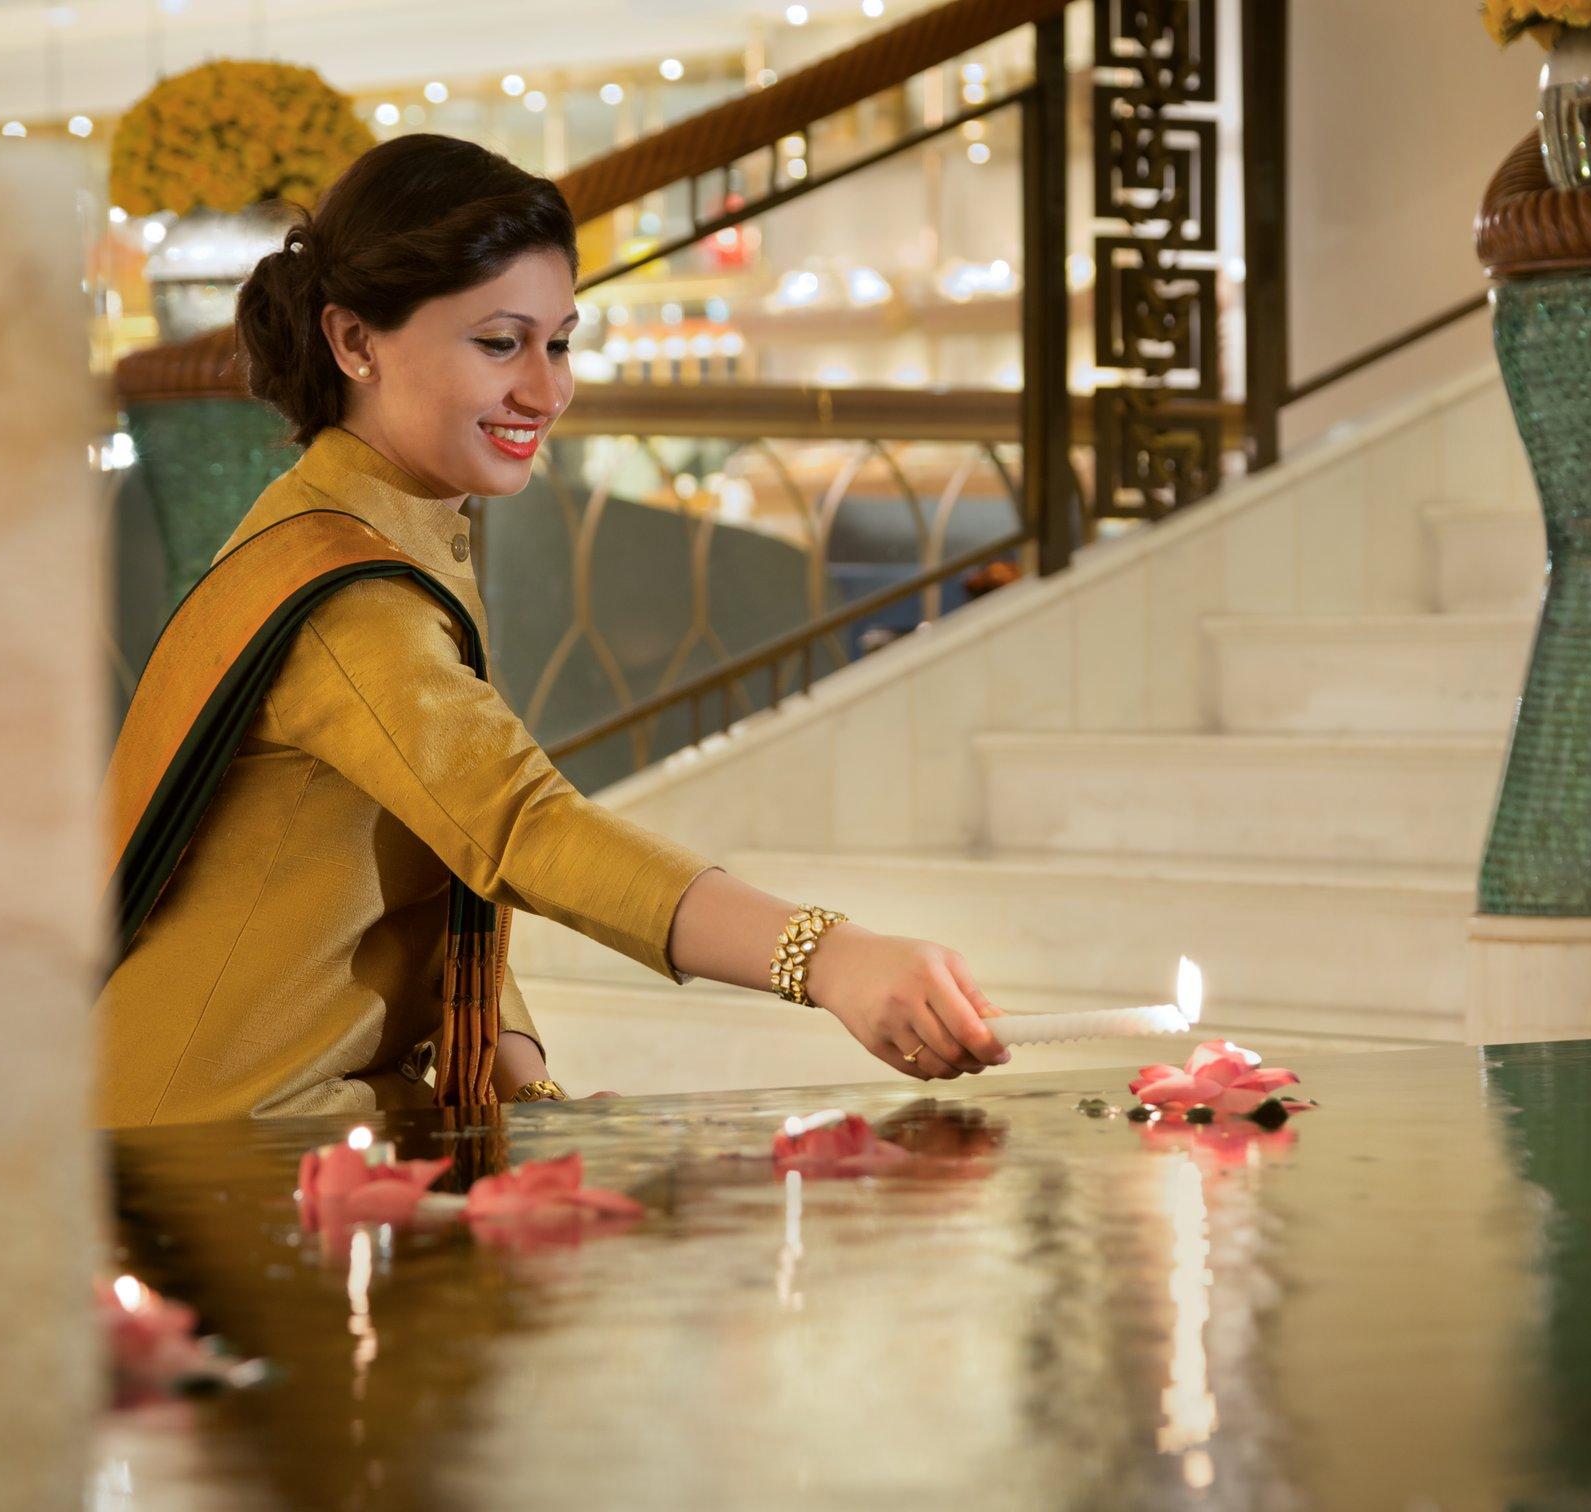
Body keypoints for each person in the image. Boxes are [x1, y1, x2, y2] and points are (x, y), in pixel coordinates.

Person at [93, 134, 1010, 1127]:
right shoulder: (347, 593)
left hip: (306, 1121)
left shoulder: (386, 526)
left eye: (558, 341)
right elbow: (523, 827)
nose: (545, 390)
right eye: (499, 343)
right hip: (214, 1147)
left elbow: (452, 857)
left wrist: (518, 1083)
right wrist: (826, 957)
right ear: (354, 343)